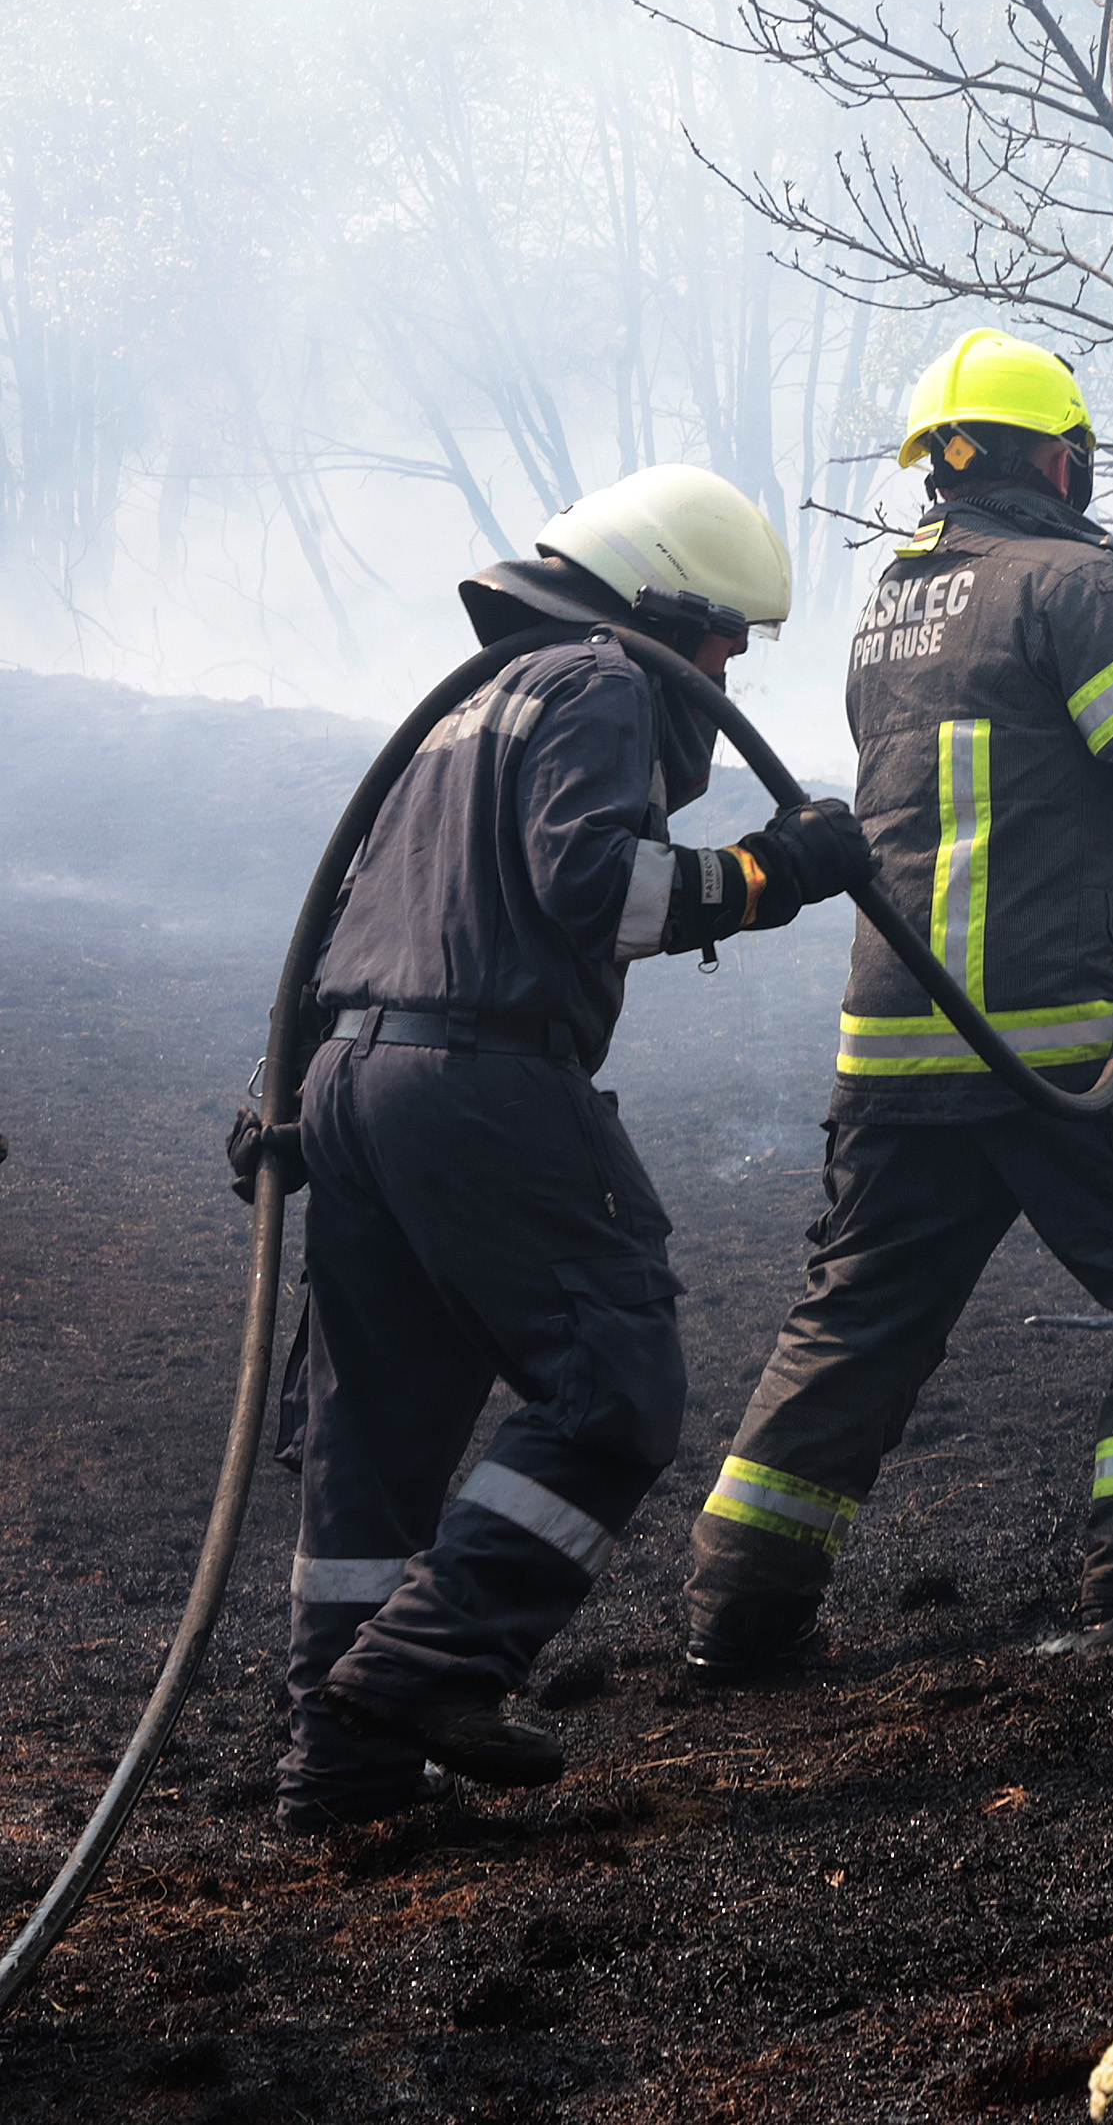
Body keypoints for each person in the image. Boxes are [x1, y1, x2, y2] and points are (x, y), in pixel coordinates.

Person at [682, 329, 1113, 1673]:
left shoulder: (893, 601)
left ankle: (740, 1611)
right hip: (1052, 1027)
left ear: (937, 467)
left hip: (896, 1033)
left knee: (859, 1318)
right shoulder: (1077, 581)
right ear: (1063, 458)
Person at [272, 466, 873, 1834]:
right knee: (611, 1380)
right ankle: (436, 1662)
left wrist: (288, 1104)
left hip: (351, 1087)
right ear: (662, 599)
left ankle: (344, 1768)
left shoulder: (467, 705)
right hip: (480, 1076)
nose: (723, 668)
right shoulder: (596, 681)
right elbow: (601, 887)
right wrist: (777, 868)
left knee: (376, 1431)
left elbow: (345, 914)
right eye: (722, 633)